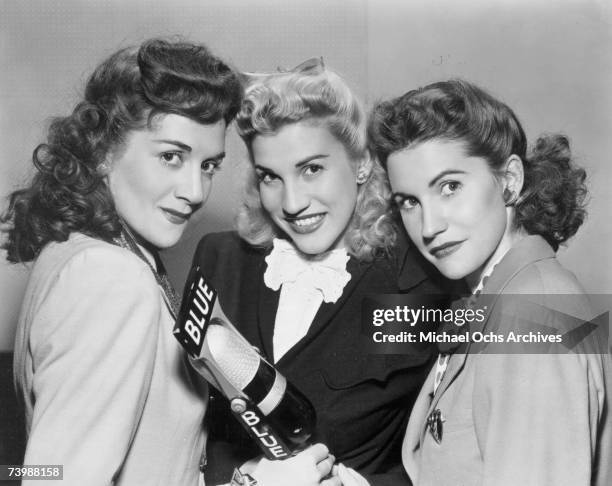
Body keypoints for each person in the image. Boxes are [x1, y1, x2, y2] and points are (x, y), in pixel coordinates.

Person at [2, 38, 334, 486]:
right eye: (171, 156)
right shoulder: (110, 278)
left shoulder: (85, 252)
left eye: (209, 165)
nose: (195, 191)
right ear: (102, 151)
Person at [192, 59, 446, 486]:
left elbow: (449, 450)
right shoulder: (220, 259)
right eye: (270, 177)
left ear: (362, 163)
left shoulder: (418, 282)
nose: (292, 203)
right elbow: (191, 427)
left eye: (312, 169)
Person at [368, 79, 612, 485]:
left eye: (450, 187)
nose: (429, 226)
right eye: (409, 202)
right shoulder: (502, 296)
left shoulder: (536, 312)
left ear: (510, 181)